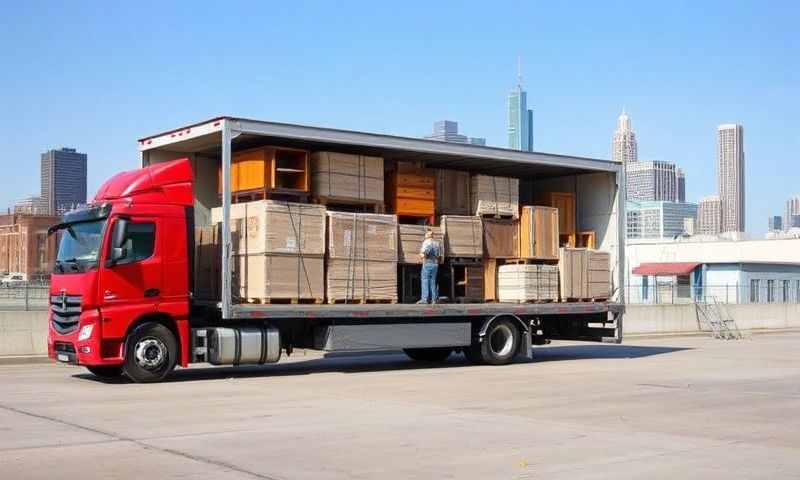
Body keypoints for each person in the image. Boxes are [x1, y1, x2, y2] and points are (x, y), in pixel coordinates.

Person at [417, 230, 441, 304]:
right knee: (433, 281)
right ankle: (434, 299)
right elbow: (439, 256)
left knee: (425, 280)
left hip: (427, 263)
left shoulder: (426, 242)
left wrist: (421, 256)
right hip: (435, 264)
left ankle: (425, 299)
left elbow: (425, 254)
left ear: (427, 235)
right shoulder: (437, 243)